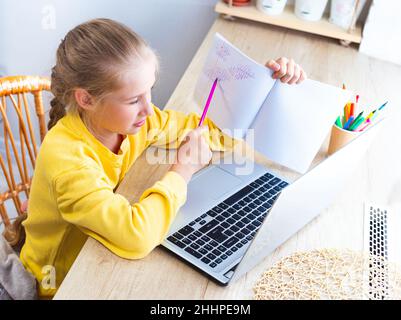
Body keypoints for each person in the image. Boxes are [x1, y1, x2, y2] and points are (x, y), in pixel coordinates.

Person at [19, 18, 307, 298]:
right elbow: (136, 236)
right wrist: (181, 172)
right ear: (86, 99)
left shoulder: (135, 123)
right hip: (59, 283)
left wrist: (262, 88)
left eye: (149, 92)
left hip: (96, 252)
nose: (148, 108)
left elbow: (205, 132)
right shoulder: (68, 163)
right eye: (134, 100)